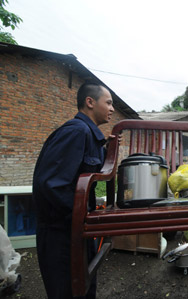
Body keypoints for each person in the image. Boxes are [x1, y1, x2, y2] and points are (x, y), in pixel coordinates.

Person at [33, 82, 116, 298]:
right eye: (108, 102)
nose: (112, 109)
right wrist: (82, 216)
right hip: (61, 236)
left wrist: (97, 212)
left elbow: (92, 180)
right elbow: (51, 185)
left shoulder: (93, 139)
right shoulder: (75, 132)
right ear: (90, 102)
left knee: (86, 290)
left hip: (80, 232)